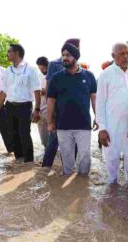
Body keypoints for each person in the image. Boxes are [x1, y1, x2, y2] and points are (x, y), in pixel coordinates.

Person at [47, 42, 97, 175]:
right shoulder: (56, 78)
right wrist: (50, 121)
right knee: (67, 157)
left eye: (68, 55)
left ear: (76, 57)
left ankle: (82, 185)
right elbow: (50, 100)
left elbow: (94, 98)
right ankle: (68, 185)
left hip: (83, 124)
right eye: (63, 55)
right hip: (63, 124)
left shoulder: (89, 76)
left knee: (85, 156)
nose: (64, 58)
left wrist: (98, 117)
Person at [96, 42, 128, 186]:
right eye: (122, 54)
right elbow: (100, 103)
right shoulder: (106, 75)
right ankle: (112, 188)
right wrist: (102, 128)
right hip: (112, 126)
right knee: (111, 159)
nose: (125, 56)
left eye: (127, 53)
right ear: (113, 56)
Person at [0, 44, 41, 163]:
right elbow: (3, 91)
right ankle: (19, 161)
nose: (7, 54)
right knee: (13, 135)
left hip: (25, 106)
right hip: (9, 106)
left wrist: (37, 109)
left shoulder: (31, 69)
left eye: (9, 51)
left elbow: (37, 90)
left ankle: (29, 162)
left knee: (24, 134)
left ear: (17, 53)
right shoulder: (8, 70)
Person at [42, 38, 80, 168]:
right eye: (78, 47)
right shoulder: (54, 64)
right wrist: (51, 114)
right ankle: (45, 169)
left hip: (75, 111)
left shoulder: (78, 65)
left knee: (73, 141)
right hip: (58, 110)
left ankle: (69, 169)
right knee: (54, 140)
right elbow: (49, 90)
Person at [36, 56, 49, 149]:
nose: (42, 70)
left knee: (53, 130)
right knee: (42, 131)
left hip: (51, 107)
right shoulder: (38, 76)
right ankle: (45, 147)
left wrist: (46, 92)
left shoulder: (54, 75)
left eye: (44, 68)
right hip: (39, 106)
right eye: (40, 68)